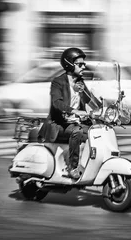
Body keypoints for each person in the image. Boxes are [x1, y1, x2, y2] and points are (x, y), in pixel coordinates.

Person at [47, 47, 95, 180]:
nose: (83, 66)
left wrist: (105, 110)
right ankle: (72, 168)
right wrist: (75, 111)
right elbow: (57, 103)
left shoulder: (80, 82)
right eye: (80, 64)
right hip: (59, 125)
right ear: (69, 64)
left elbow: (90, 100)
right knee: (77, 132)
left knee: (95, 132)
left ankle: (88, 165)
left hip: (75, 123)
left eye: (84, 64)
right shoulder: (58, 82)